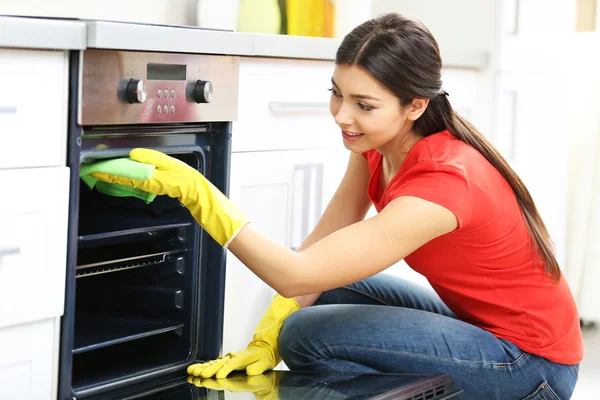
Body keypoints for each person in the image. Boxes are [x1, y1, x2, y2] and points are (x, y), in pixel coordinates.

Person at [92, 13, 583, 400]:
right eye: (336, 94)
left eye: (364, 105)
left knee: (306, 334)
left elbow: (294, 275)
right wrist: (264, 338)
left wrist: (197, 192)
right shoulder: (379, 147)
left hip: (532, 367)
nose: (343, 117)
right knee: (320, 292)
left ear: (415, 105)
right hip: (478, 329)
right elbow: (320, 251)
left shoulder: (445, 181)